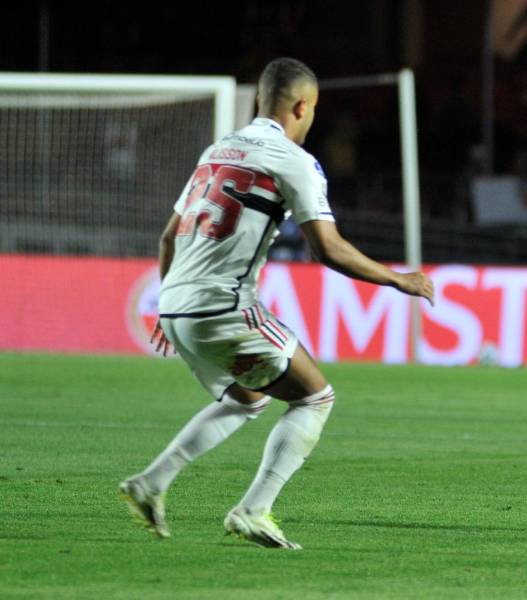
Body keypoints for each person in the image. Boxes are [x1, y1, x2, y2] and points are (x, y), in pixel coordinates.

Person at [118, 58, 434, 550]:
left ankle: (151, 483)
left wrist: (167, 305)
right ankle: (253, 509)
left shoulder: (218, 150)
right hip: (222, 306)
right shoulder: (293, 160)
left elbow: (167, 238)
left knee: (247, 397)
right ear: (302, 106)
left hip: (176, 305)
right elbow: (326, 248)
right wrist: (398, 279)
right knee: (315, 396)